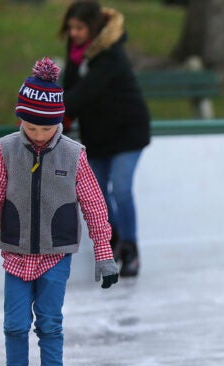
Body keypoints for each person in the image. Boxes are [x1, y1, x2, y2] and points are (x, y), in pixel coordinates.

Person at [0, 57, 119, 366]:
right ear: (20, 118)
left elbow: (94, 205)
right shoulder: (6, 150)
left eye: (47, 126)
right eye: (32, 126)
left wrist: (104, 256)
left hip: (56, 255)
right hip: (16, 254)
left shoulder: (74, 154)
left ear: (59, 121)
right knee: (14, 325)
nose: (39, 134)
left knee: (50, 324)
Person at [60, 0, 151, 277]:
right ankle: (114, 241)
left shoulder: (111, 54)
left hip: (128, 131)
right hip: (97, 135)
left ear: (94, 27)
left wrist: (49, 113)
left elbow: (86, 91)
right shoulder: (77, 53)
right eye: (71, 27)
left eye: (79, 27)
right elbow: (70, 88)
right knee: (97, 195)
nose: (74, 33)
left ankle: (130, 249)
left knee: (121, 188)